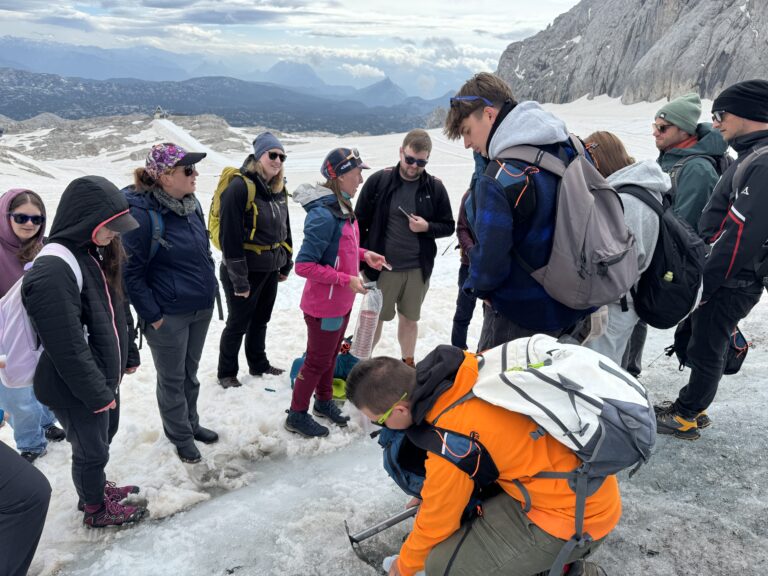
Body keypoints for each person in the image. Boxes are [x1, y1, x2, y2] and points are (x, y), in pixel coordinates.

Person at [345, 350, 619, 576]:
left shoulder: (450, 437)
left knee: (442, 566)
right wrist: (436, 494)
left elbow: (437, 524)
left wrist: (401, 568)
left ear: (401, 409)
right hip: (582, 485)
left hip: (572, 518)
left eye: (379, 420)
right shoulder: (463, 369)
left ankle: (567, 569)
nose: (380, 426)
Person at [22, 175, 147, 527]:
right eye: (109, 227)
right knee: (91, 450)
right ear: (85, 219)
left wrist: (129, 353)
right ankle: (94, 509)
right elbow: (66, 344)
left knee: (103, 439)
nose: (114, 235)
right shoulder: (53, 268)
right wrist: (95, 392)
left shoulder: (89, 253)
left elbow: (114, 307)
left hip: (98, 376)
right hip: (72, 385)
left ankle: (94, 490)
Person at [443, 72, 590, 351]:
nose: (466, 143)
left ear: (488, 114)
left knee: (498, 390)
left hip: (520, 315)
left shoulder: (501, 175)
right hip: (575, 303)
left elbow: (491, 261)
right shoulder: (570, 146)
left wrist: (478, 287)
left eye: (466, 131)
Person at [656, 79, 768, 440]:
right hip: (731, 275)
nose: (715, 122)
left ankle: (688, 414)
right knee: (706, 339)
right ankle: (691, 405)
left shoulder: (763, 162)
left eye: (721, 114)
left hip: (733, 278)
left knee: (708, 344)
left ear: (748, 114)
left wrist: (706, 281)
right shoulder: (753, 155)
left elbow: (741, 235)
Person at [620, 93, 731, 378]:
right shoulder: (673, 159)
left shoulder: (696, 168)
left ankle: (628, 374)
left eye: (663, 127)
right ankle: (626, 371)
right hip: (659, 252)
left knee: (640, 310)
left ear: (684, 130)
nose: (655, 132)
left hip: (671, 258)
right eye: (654, 126)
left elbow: (685, 227)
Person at [122, 143, 219, 463]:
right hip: (169, 315)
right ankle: (179, 435)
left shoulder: (191, 204)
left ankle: (191, 423)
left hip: (200, 307)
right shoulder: (141, 214)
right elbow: (130, 273)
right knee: (173, 379)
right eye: (187, 170)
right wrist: (154, 315)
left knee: (189, 374)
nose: (196, 175)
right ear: (165, 177)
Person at [286, 148, 387, 438]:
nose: (360, 179)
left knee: (330, 355)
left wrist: (365, 255)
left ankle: (324, 401)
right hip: (324, 307)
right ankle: (296, 414)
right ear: (340, 176)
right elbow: (304, 266)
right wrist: (345, 279)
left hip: (341, 303)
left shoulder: (343, 208)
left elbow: (342, 250)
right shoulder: (323, 215)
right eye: (357, 173)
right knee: (317, 360)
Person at [355, 129, 455, 366]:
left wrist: (427, 227)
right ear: (401, 152)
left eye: (421, 162)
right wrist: (362, 264)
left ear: (427, 160)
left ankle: (407, 363)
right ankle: (357, 363)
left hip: (417, 270)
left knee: (410, 320)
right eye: (409, 159)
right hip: (381, 268)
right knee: (371, 320)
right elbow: (358, 224)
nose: (413, 166)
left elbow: (448, 226)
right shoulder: (379, 181)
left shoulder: (435, 187)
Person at [581, 132, 669, 364]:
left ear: (597, 160)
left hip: (615, 304)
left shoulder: (626, 200)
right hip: (626, 300)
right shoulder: (640, 190)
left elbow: (615, 261)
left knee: (598, 373)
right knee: (611, 367)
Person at [216, 132, 294, 388]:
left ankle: (258, 363)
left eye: (281, 156)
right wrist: (239, 280)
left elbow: (285, 227)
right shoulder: (239, 187)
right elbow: (230, 238)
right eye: (272, 154)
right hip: (244, 269)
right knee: (238, 322)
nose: (277, 160)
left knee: (261, 319)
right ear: (259, 155)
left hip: (270, 267)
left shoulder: (277, 188)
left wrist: (286, 262)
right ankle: (227, 373)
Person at [0, 189, 66, 463]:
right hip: (5, 337)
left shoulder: (45, 249)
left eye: (37, 219)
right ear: (6, 217)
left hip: (40, 331)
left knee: (41, 384)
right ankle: (30, 443)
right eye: (21, 217)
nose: (29, 224)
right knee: (17, 395)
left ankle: (45, 422)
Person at [450, 153, 486, 350]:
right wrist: (473, 253)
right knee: (463, 313)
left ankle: (485, 350)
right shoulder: (469, 196)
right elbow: (462, 227)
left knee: (491, 312)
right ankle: (458, 352)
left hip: (486, 266)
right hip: (469, 266)